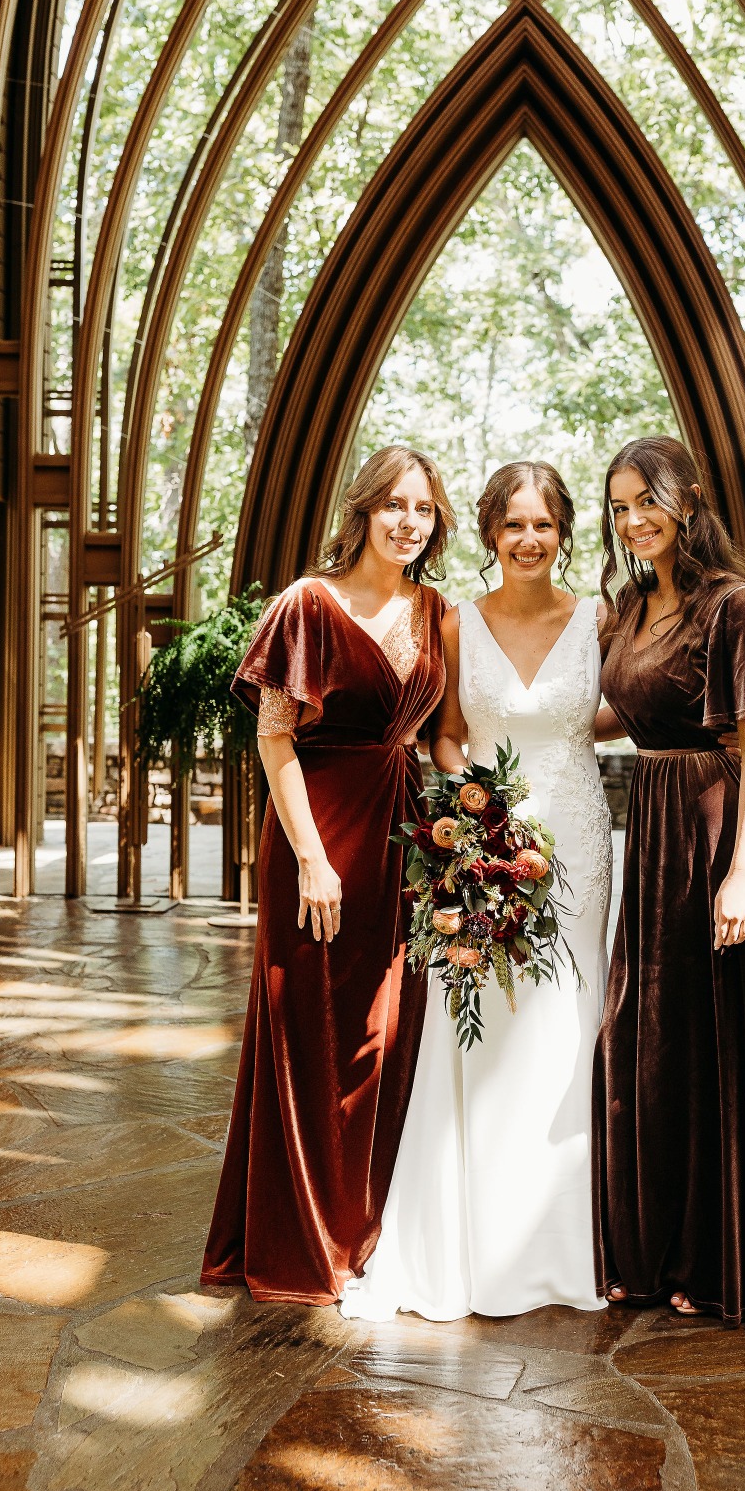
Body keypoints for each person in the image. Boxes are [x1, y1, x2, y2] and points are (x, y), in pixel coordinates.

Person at [341, 462, 613, 1321]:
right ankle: (472, 1243)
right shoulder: (458, 622)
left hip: (580, 842)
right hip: (490, 842)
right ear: (491, 533)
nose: (528, 540)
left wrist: (566, 737)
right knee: (486, 1032)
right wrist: (482, 816)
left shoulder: (601, 621)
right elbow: (449, 736)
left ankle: (559, 1248)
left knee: (567, 1034)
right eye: (511, 525)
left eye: (544, 524)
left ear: (565, 531)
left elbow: (619, 708)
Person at [201, 445, 454, 1304]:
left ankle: (366, 1226)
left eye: (422, 509)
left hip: (404, 839)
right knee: (306, 1029)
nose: (408, 522)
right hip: (319, 832)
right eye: (394, 505)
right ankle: (300, 1239)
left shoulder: (435, 609)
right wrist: (311, 856)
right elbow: (274, 737)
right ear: (363, 510)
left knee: (386, 1036)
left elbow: (441, 733)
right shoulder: (307, 604)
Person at [593, 435, 745, 1328]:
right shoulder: (631, 608)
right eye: (618, 507)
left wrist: (742, 877)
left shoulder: (735, 606)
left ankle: (718, 1265)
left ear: (688, 500)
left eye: (647, 500)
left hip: (716, 831)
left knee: (715, 1047)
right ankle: (654, 1254)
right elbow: (608, 717)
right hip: (652, 833)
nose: (633, 520)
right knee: (653, 1047)